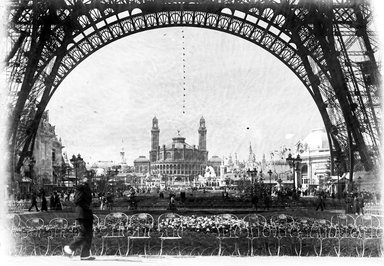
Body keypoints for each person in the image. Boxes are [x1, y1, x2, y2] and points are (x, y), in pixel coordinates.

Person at [64, 177, 95, 260]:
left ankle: (85, 255)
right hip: (83, 213)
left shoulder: (85, 188)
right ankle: (70, 248)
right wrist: (87, 207)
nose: (90, 181)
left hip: (86, 213)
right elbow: (77, 201)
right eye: (88, 179)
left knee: (88, 234)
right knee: (84, 234)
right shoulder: (82, 188)